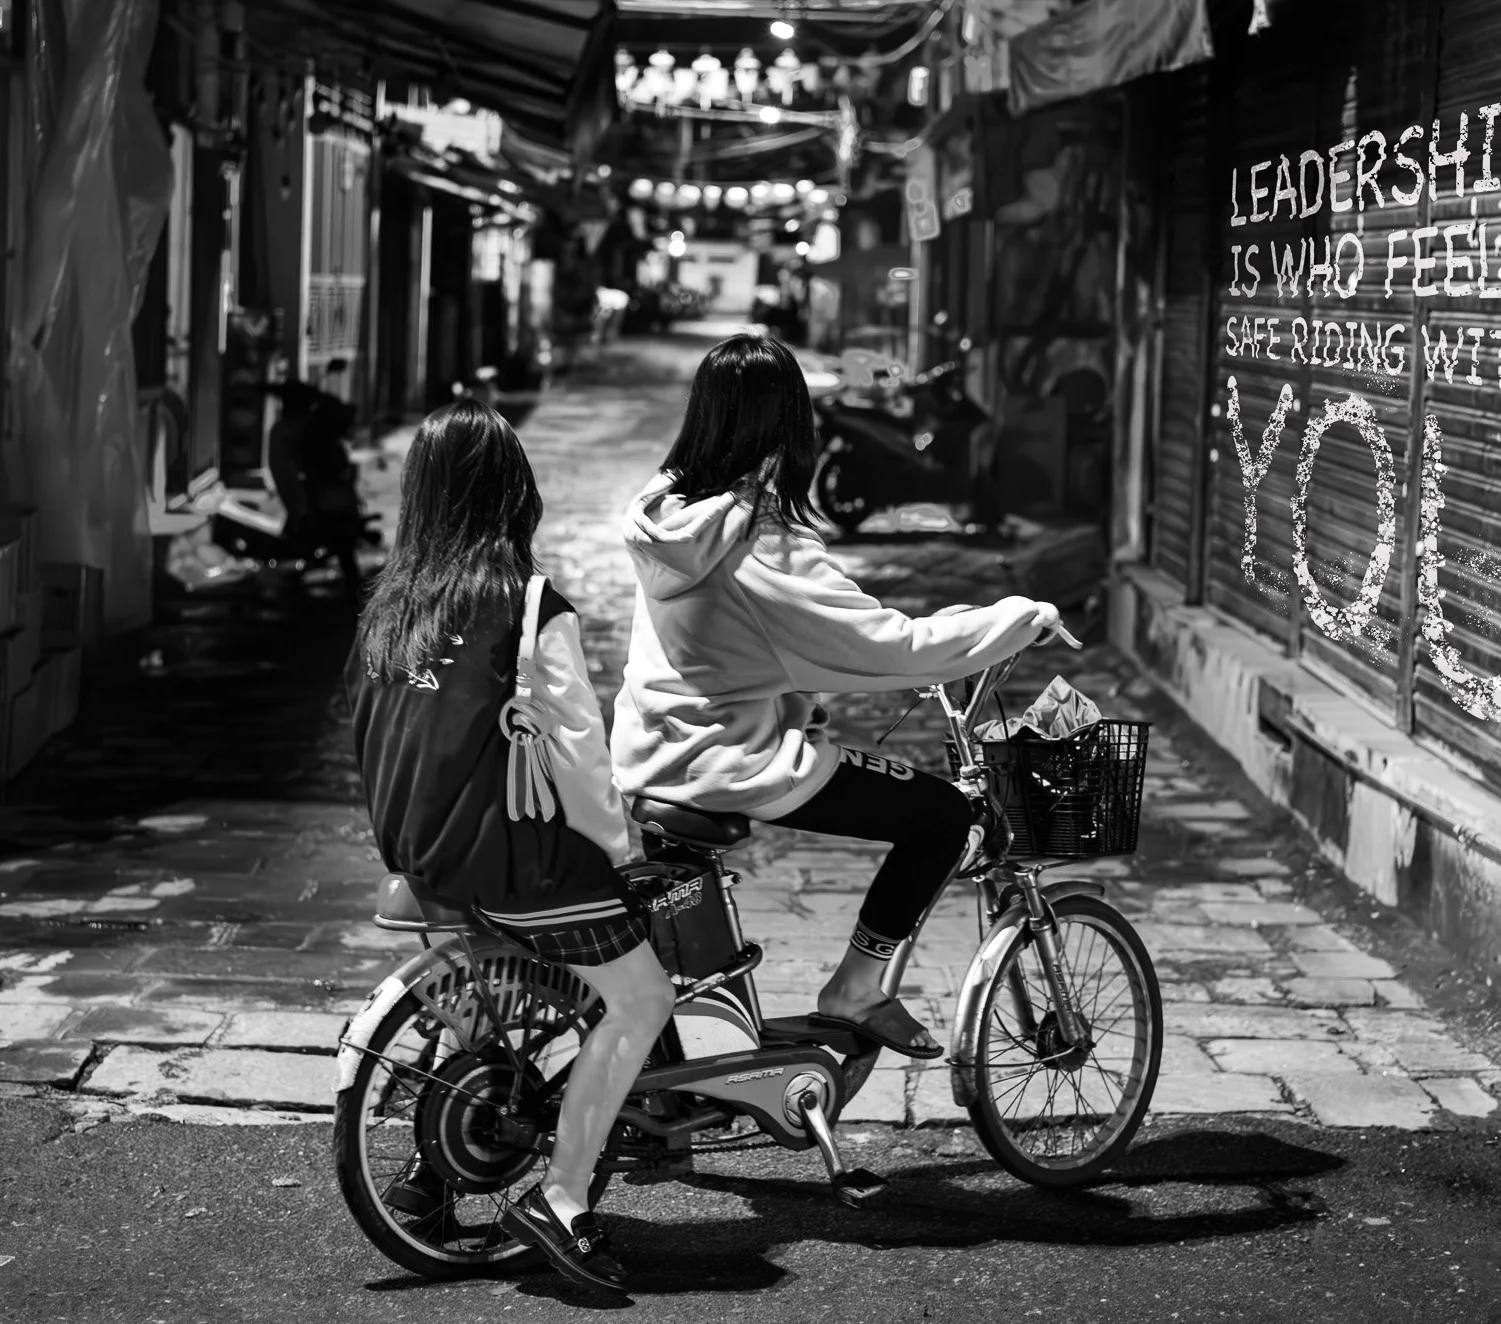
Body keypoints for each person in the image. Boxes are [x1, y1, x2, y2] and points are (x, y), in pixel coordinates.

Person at [612, 334, 1061, 1061]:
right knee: (942, 815)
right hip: (734, 759)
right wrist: (1015, 618)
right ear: (791, 425)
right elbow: (887, 649)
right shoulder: (759, 540)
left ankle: (696, 1057)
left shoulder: (667, 516)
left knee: (687, 958)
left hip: (654, 748)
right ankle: (855, 988)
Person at [347, 399, 670, 1296]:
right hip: (509, 859)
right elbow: (579, 752)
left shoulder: (390, 607)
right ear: (512, 493)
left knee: (515, 999)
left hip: (419, 852)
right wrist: (620, 846)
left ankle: (430, 1176)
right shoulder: (527, 605)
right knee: (642, 996)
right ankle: (562, 1199)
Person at [265, 378, 363, 595]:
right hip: (335, 499)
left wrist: (299, 508)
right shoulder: (316, 426)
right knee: (344, 554)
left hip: (323, 501)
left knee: (334, 549)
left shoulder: (294, 430)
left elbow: (286, 475)